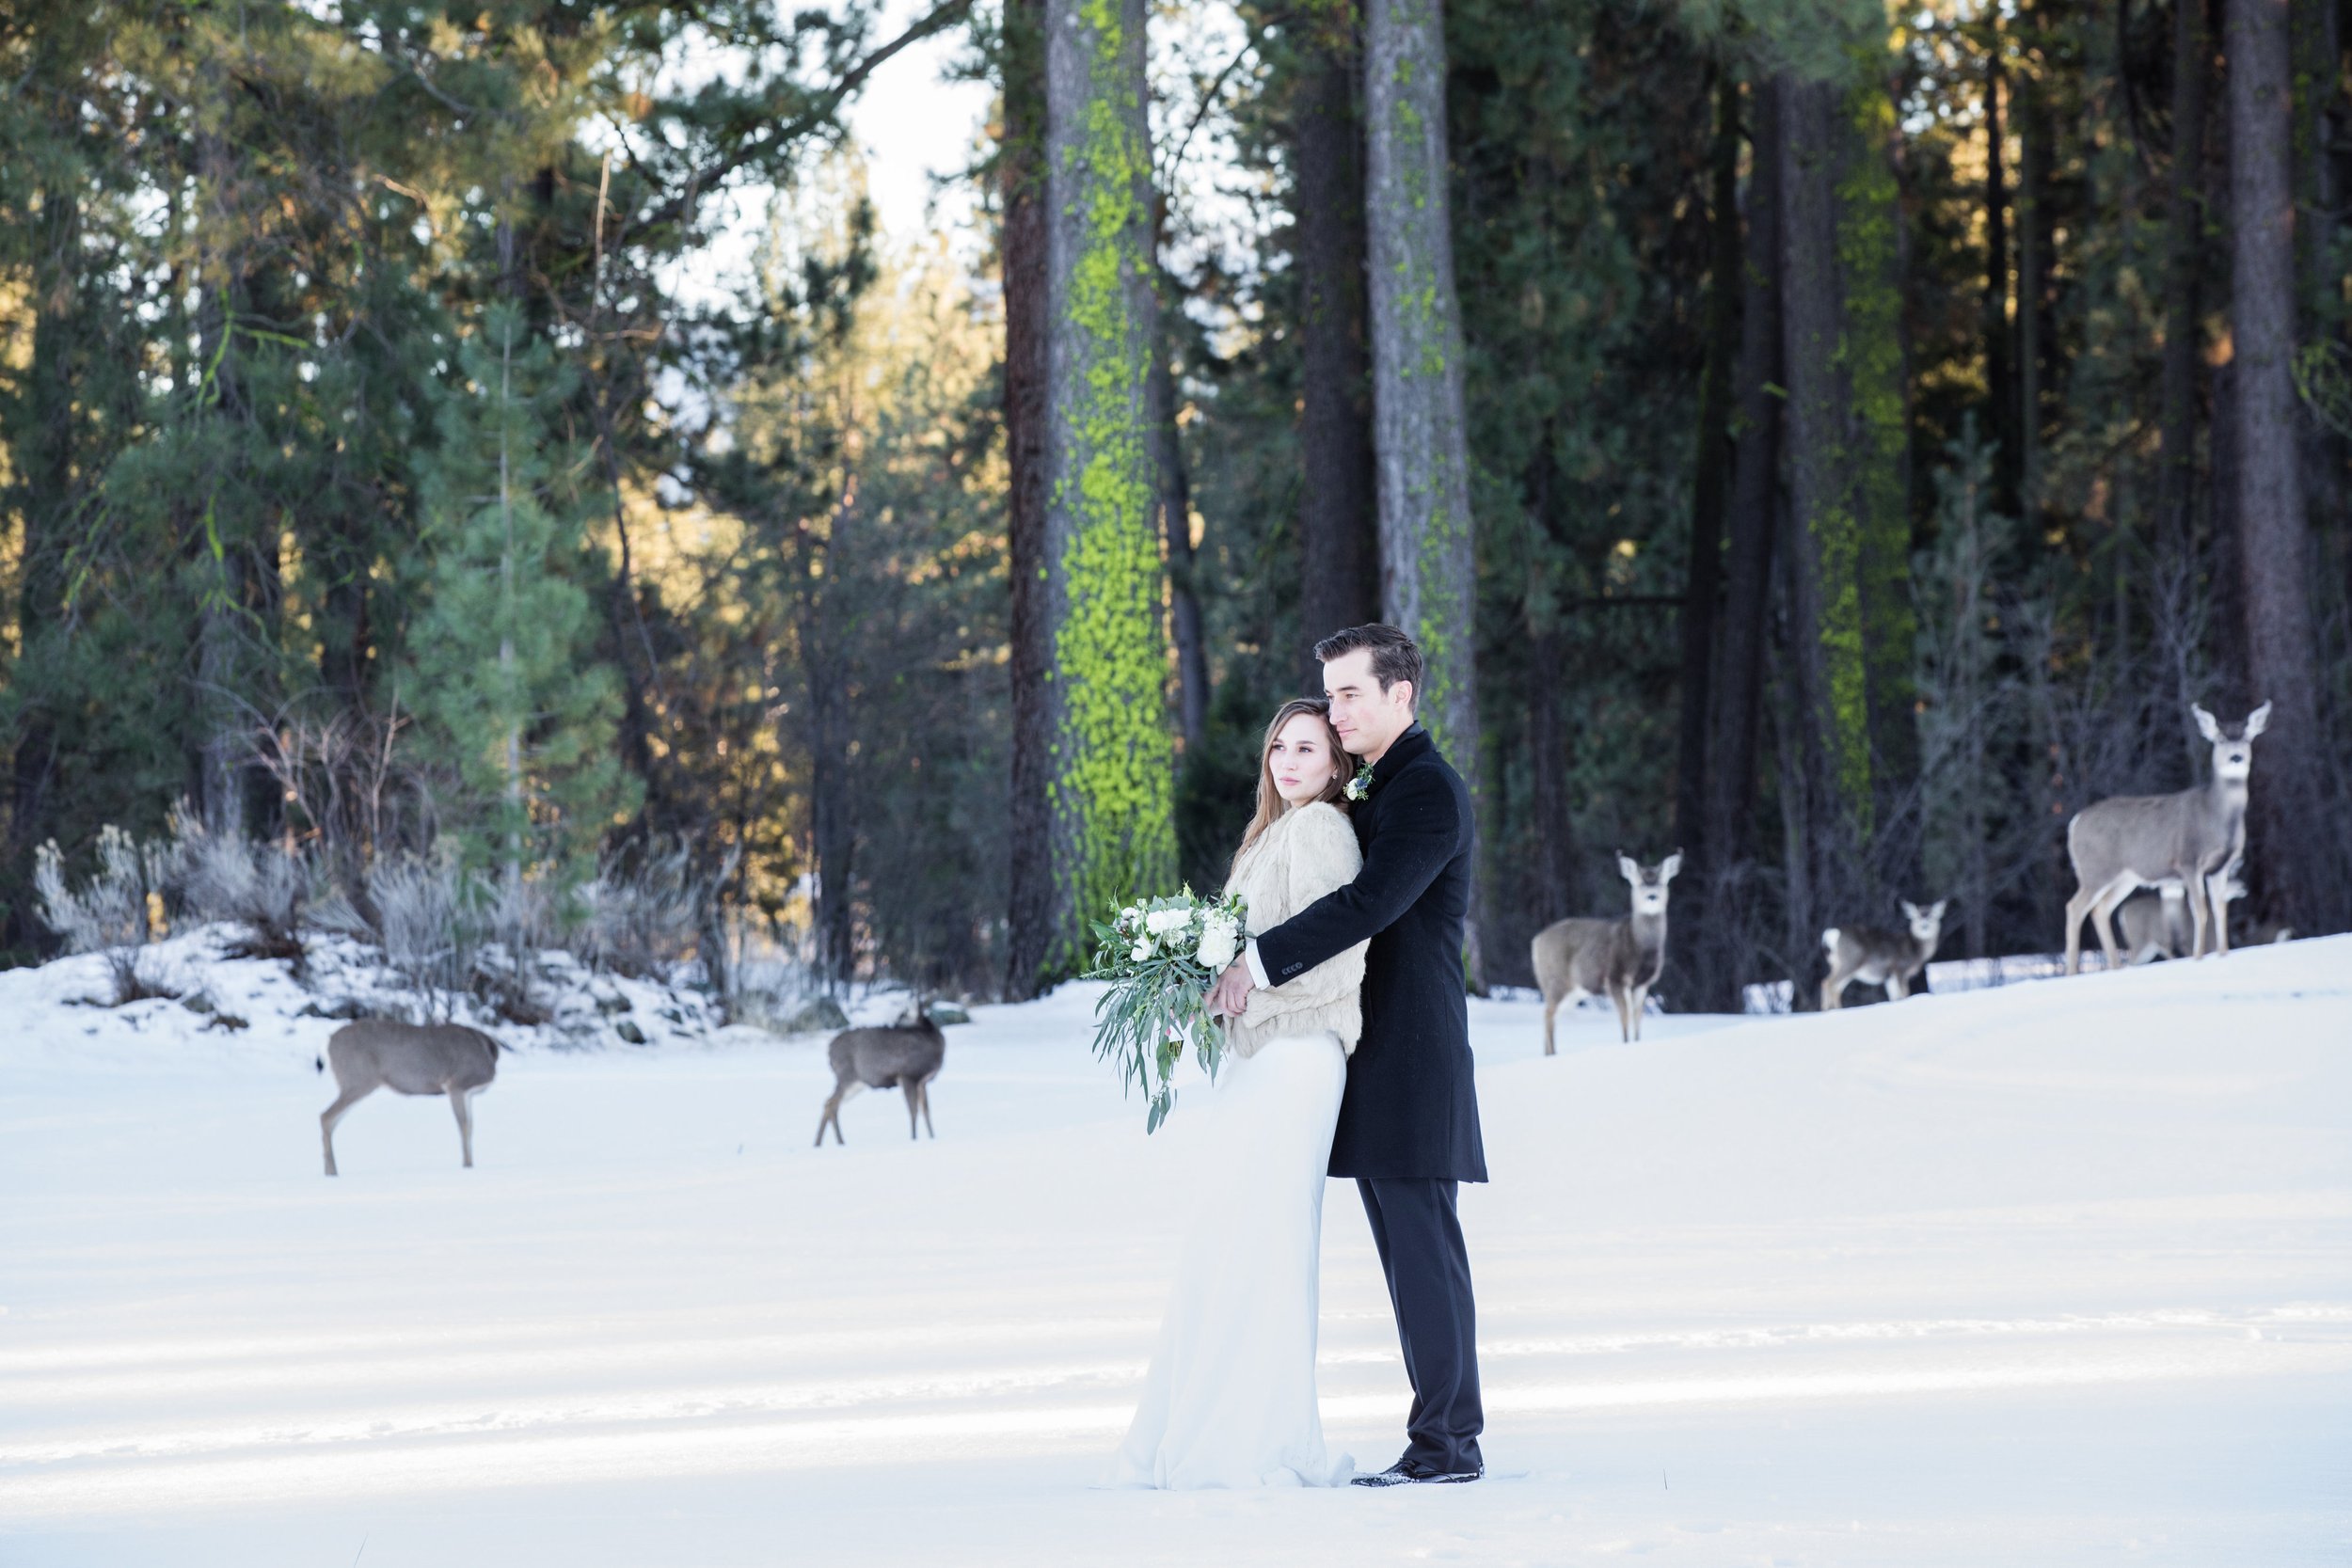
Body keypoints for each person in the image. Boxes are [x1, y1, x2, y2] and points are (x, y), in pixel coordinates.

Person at [1207, 623, 1487, 1486]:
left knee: (1422, 1252)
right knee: (1407, 1256)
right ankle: (1444, 1438)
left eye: (1351, 692)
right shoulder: (1375, 788)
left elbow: (1372, 901)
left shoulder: (1428, 791)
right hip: (1373, 1055)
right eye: (1329, 693)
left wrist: (1253, 963)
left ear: (1402, 693)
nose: (1336, 709)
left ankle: (1447, 1445)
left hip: (1413, 1053)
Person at [1106, 697, 1369, 1488]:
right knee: (1227, 1240)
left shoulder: (1323, 829)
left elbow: (1336, 960)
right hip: (1256, 1061)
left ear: (1336, 764)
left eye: (1308, 748)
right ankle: (1207, 1425)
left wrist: (1242, 990)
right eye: (1279, 746)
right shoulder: (1267, 836)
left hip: (1297, 1059)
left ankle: (1256, 1440)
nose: (1288, 761)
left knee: (1267, 1243)